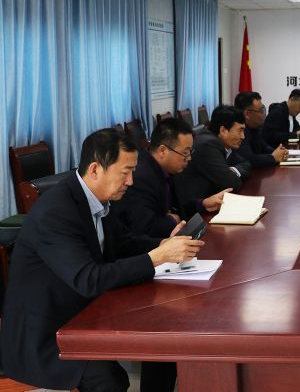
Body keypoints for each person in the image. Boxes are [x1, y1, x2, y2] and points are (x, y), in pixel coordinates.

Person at [0, 129, 203, 391]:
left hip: (85, 309)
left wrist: (163, 245)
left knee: (163, 333)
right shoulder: (56, 212)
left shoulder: (100, 197)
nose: (131, 181)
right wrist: (156, 257)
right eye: (125, 172)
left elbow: (123, 243)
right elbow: (89, 279)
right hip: (46, 332)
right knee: (109, 379)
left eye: (133, 171)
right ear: (95, 169)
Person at [111, 118, 229, 238]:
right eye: (185, 153)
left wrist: (203, 204)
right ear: (163, 151)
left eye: (190, 152)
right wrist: (172, 220)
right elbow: (145, 229)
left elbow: (178, 207)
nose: (189, 158)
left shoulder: (166, 168)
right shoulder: (140, 178)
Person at [173, 105, 251, 202]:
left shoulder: (222, 143)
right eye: (240, 130)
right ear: (223, 130)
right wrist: (231, 173)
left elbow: (246, 163)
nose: (243, 136)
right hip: (193, 207)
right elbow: (232, 184)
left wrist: (232, 170)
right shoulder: (208, 146)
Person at [234, 91, 288, 167]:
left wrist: (279, 152)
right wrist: (273, 158)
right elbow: (248, 159)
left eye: (263, 109)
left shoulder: (254, 127)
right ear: (247, 114)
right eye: (260, 110)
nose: (263, 113)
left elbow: (264, 147)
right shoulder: (238, 131)